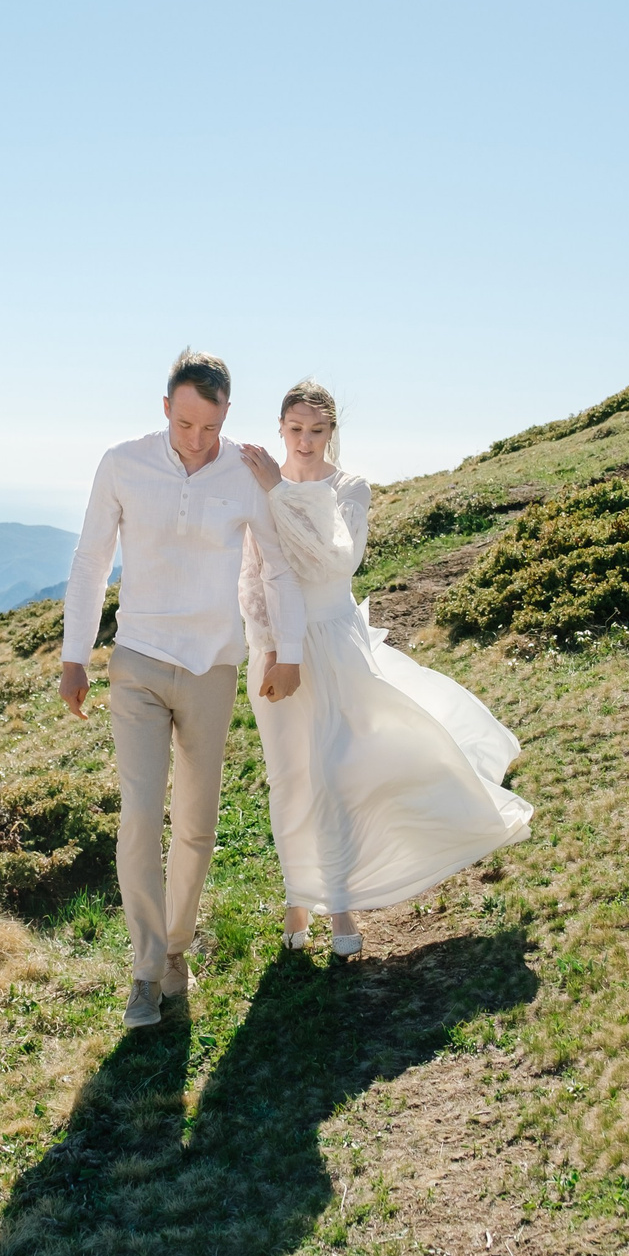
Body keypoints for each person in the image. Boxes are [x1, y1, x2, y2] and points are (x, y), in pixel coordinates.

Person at [236, 380, 531, 955]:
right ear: (280, 428)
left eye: (317, 431)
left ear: (332, 432)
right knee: (289, 777)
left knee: (336, 778)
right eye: (295, 430)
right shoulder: (260, 485)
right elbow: (251, 576)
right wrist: (268, 646)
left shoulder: (349, 489)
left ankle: (340, 911)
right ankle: (299, 901)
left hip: (335, 643)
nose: (305, 441)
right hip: (276, 649)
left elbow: (335, 560)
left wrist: (279, 493)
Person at [60, 349, 307, 1028]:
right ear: (166, 406)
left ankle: (174, 951)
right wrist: (73, 656)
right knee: (141, 815)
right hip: (138, 661)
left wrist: (287, 649)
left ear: (226, 414)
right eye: (185, 422)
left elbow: (280, 567)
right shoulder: (123, 463)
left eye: (210, 425)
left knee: (196, 823)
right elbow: (89, 562)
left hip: (212, 666)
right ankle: (144, 972)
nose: (196, 439)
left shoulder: (247, 472)